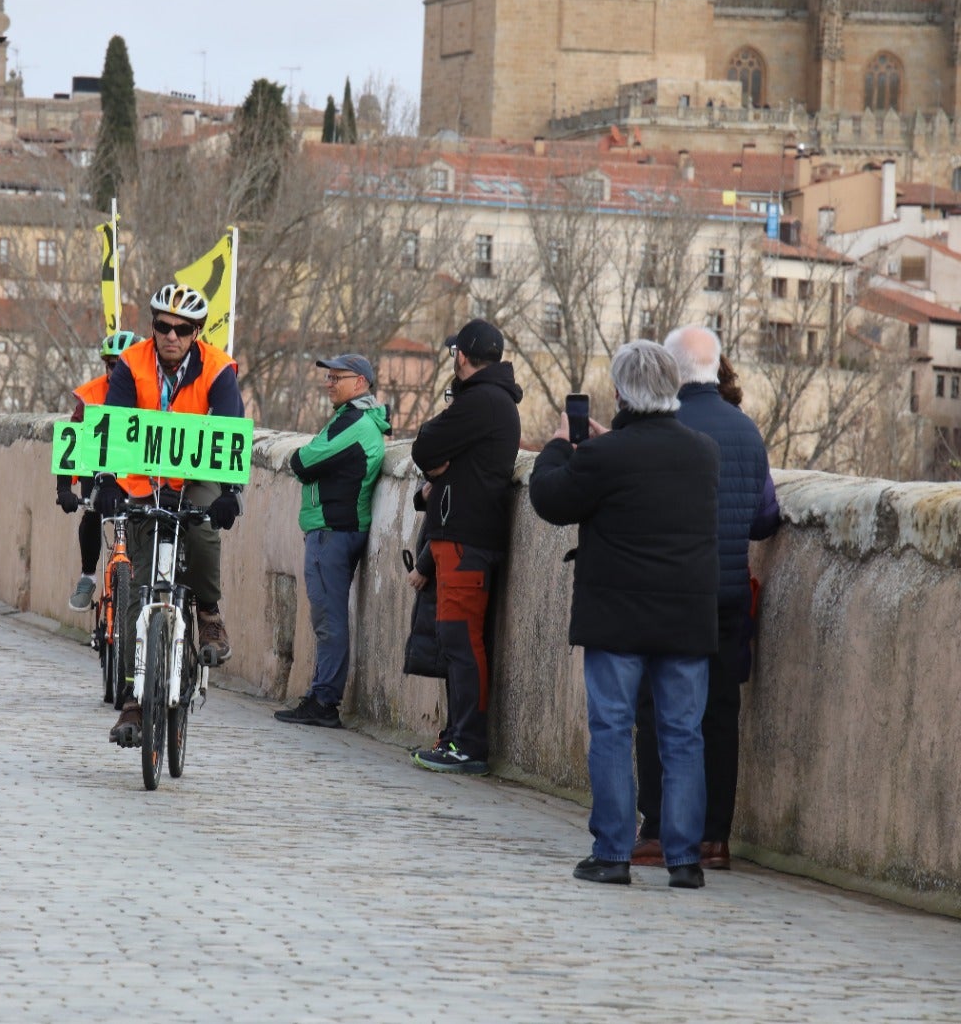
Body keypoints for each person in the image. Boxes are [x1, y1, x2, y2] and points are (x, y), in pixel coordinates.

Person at [529, 340, 720, 890]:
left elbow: (550, 499)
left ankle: (613, 853)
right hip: (685, 617)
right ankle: (684, 860)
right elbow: (650, 462)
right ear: (673, 388)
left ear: (617, 392)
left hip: (617, 616)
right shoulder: (703, 451)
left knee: (613, 729)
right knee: (683, 735)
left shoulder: (603, 457)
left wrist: (561, 445)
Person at [632, 326, 780, 872]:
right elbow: (765, 517)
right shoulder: (745, 430)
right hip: (727, 593)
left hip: (669, 591)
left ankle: (656, 831)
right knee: (719, 712)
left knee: (657, 707)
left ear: (669, 372)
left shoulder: (663, 427)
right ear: (717, 369)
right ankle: (714, 839)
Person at [91, 284, 244, 748]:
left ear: (196, 332)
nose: (171, 336)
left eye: (182, 330)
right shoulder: (133, 364)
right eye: (163, 327)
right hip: (146, 478)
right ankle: (135, 698)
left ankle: (210, 613)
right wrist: (106, 480)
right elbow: (113, 423)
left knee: (202, 534)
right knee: (139, 587)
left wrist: (231, 492)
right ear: (152, 326)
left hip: (196, 474)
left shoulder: (217, 368)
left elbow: (228, 428)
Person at [408, 318, 522, 775]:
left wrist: (437, 465)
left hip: (466, 537)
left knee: (461, 639)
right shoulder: (490, 400)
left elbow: (425, 445)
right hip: (462, 533)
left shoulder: (482, 401)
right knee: (455, 639)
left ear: (462, 355)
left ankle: (468, 743)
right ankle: (456, 735)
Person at [275, 353, 391, 728]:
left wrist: (305, 464)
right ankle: (321, 694)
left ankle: (325, 700)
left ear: (360, 383)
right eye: (328, 376)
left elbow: (303, 463)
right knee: (328, 618)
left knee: (329, 620)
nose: (328, 383)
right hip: (333, 529)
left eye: (336, 377)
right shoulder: (351, 418)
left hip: (334, 532)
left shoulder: (355, 424)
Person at [59, 330, 138, 611]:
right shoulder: (91, 394)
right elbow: (70, 442)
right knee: (91, 512)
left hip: (136, 473)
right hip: (98, 470)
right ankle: (87, 576)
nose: (117, 371)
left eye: (124, 364)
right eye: (112, 365)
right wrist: (63, 488)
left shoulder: (151, 392)